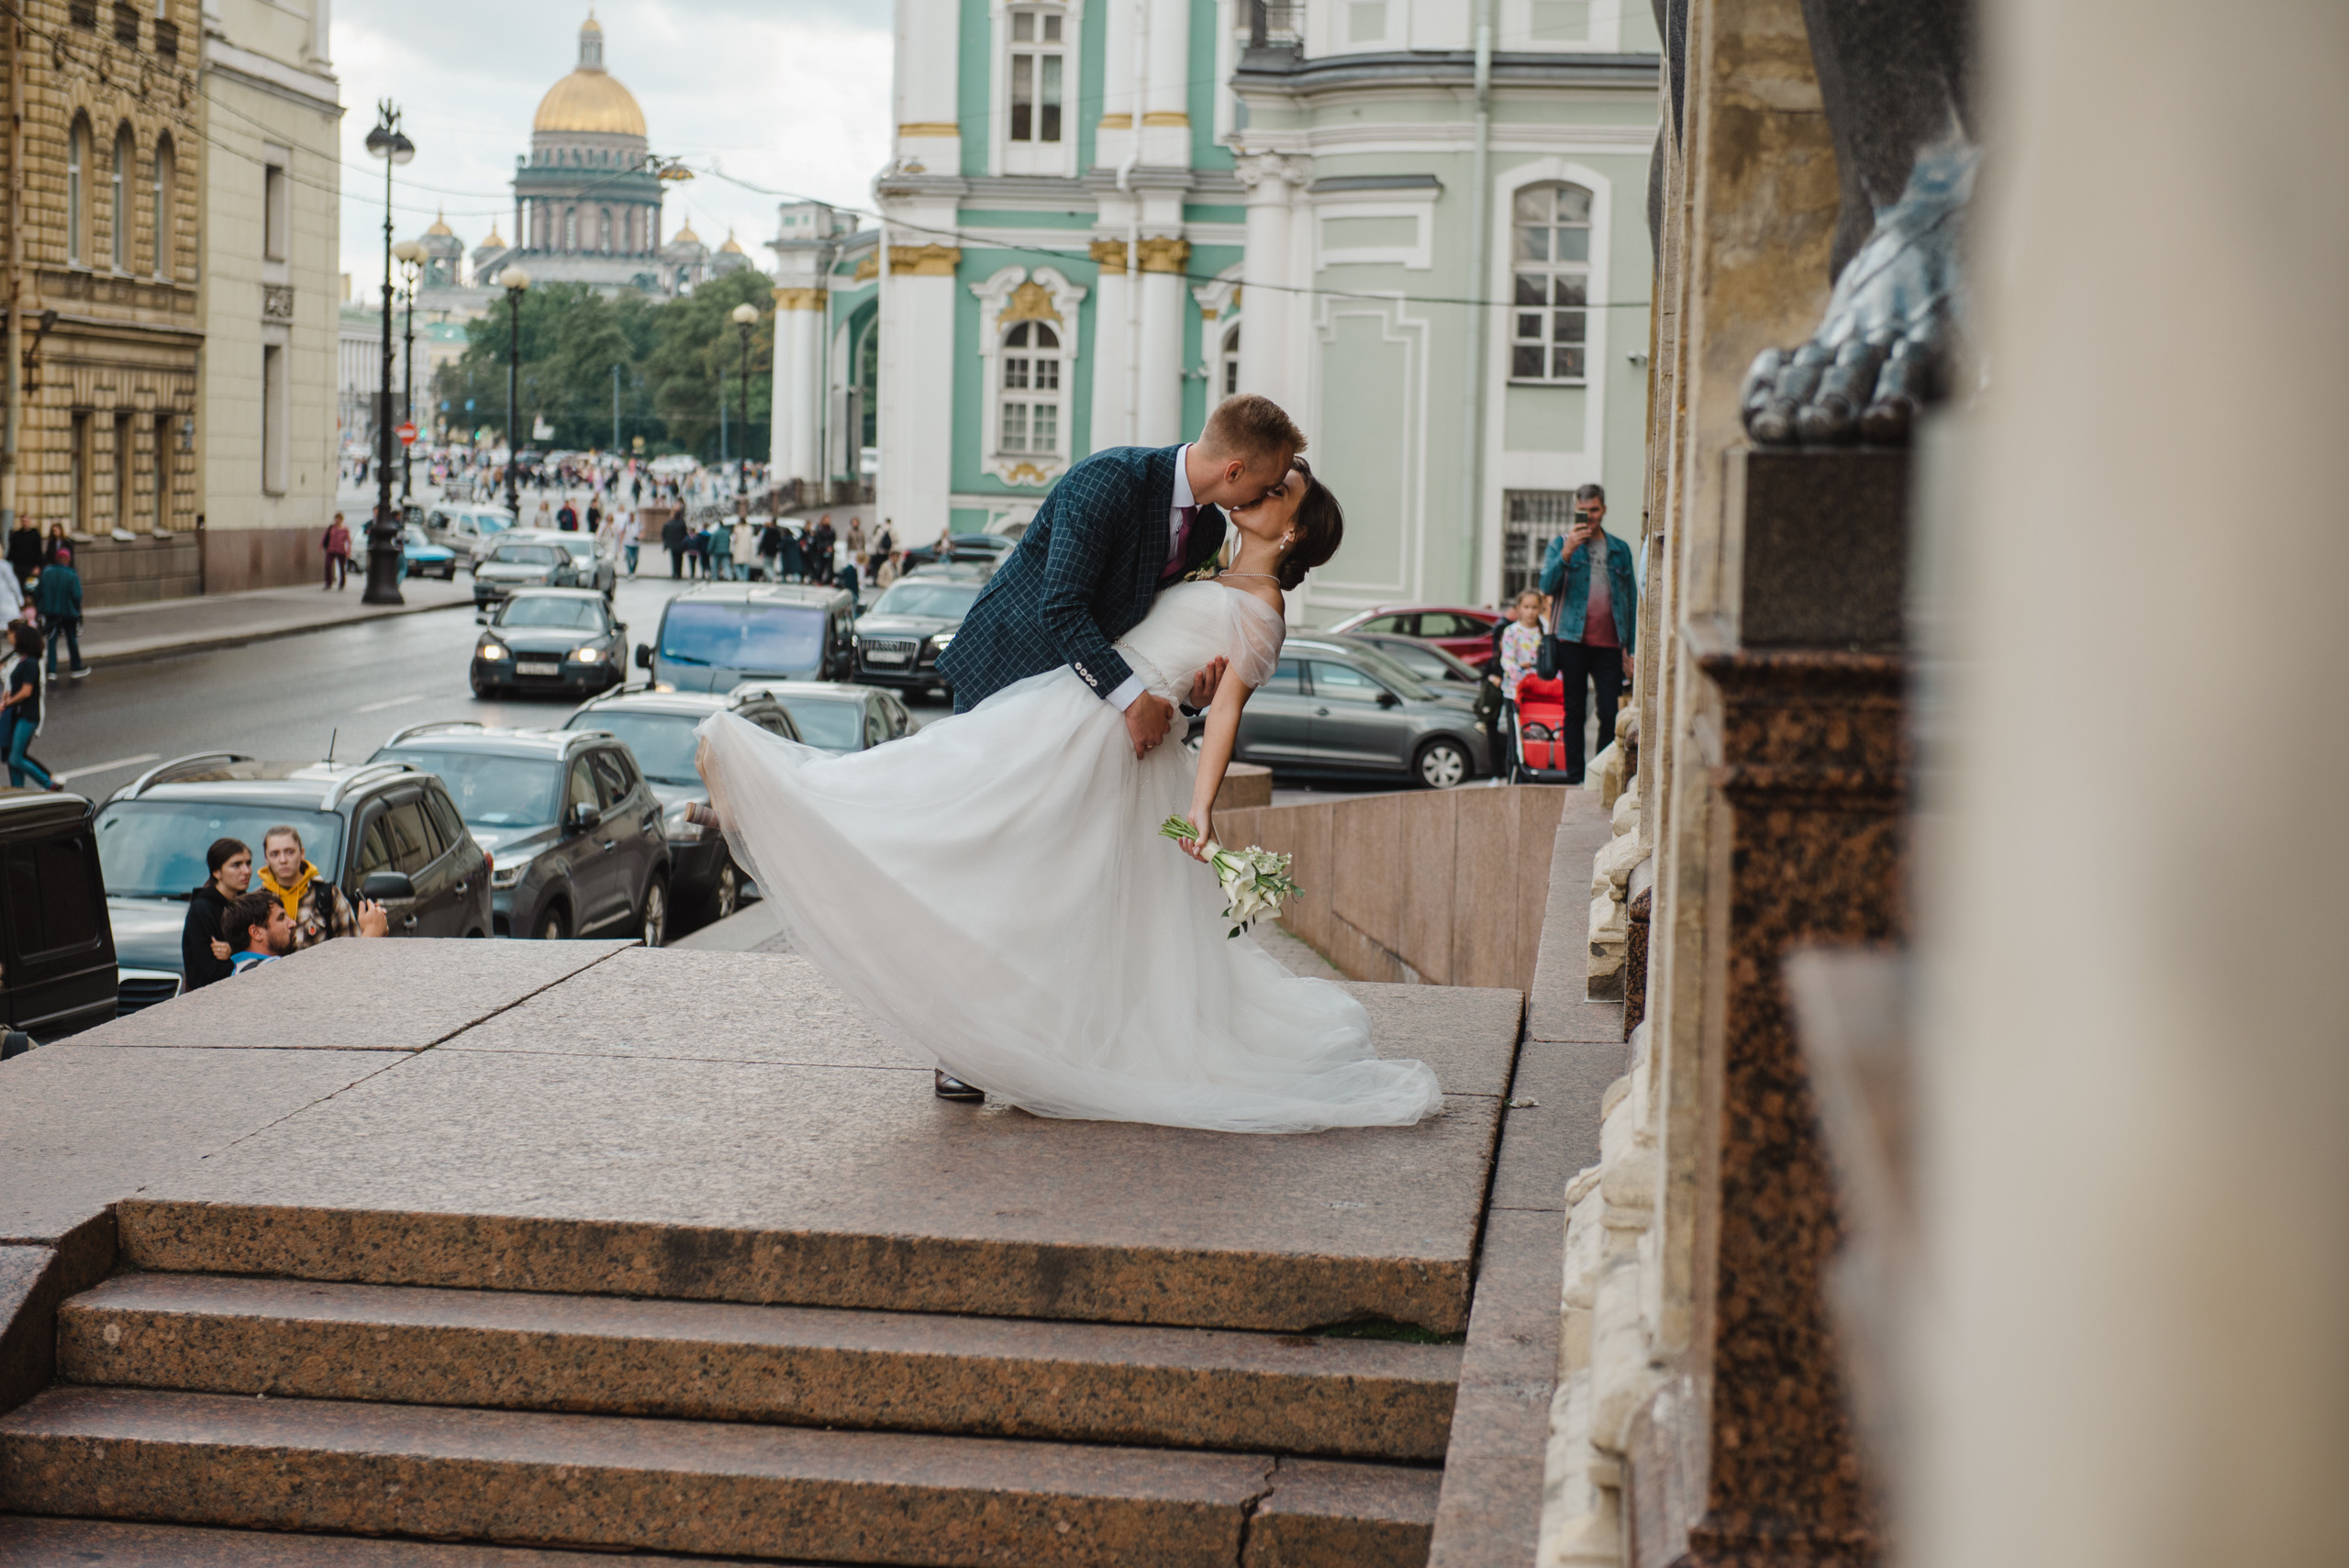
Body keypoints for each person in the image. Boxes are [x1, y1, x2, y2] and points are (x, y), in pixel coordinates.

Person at [696, 436, 1441, 1133]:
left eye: (1285, 490)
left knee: (1034, 877)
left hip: (1115, 746)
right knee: (952, 800)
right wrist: (1173, 696)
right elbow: (1127, 630)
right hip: (1069, 700)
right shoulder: (1206, 549)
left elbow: (1222, 717)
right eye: (1273, 477)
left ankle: (984, 1035)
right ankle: (780, 797)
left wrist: (1201, 805)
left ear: (1295, 532)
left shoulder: (1264, 608)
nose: (1269, 488)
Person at [1536, 484, 1639, 785]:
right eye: (1583, 511)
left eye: (1594, 510)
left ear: (1604, 509)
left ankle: (1599, 773)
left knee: (1609, 712)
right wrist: (1566, 553)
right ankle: (1575, 778)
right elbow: (1545, 586)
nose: (1589, 517)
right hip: (1572, 641)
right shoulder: (1560, 545)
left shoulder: (1620, 549)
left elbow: (1632, 601)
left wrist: (1630, 648)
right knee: (1574, 711)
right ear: (1575, 510)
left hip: (1609, 645)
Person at [256, 824, 390, 950]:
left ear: (302, 853)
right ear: (266, 858)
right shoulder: (259, 900)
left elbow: (352, 947)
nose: (283, 860)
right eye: (275, 854)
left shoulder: (326, 894)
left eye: (290, 852)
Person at [183, 838, 252, 992]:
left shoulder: (248, 905)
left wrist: (233, 951)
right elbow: (210, 972)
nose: (246, 871)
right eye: (236, 865)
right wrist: (242, 954)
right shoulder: (201, 910)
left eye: (248, 863)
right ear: (216, 872)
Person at [0, 625, 57, 790]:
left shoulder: (31, 663)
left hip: (28, 716)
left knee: (16, 758)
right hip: (19, 715)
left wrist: (6, 703)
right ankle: (18, 790)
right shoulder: (21, 660)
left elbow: (26, 691)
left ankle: (48, 783)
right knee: (12, 757)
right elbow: (15, 686)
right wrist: (7, 696)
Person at [35, 545, 84, 678]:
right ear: (68, 560)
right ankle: (76, 667)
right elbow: (77, 595)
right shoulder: (71, 575)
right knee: (71, 640)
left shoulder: (46, 572)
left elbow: (37, 593)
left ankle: (52, 670)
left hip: (50, 613)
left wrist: (40, 608)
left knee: (51, 641)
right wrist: (77, 609)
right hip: (68, 613)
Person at [223, 890, 294, 975]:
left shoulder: (238, 973)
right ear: (256, 932)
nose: (293, 923)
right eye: (281, 918)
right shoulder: (274, 971)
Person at [323, 514, 352, 591]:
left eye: (338, 519)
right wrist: (321, 545)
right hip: (331, 549)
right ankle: (328, 583)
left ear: (341, 519)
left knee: (342, 567)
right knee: (328, 564)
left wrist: (348, 552)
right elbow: (325, 536)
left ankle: (342, 583)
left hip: (341, 550)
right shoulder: (331, 527)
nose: (337, 520)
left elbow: (348, 541)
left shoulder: (345, 529)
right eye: (336, 519)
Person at [6, 518, 39, 585]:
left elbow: (38, 551)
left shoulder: (35, 535)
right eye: (23, 521)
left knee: (30, 588)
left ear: (29, 522)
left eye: (26, 521)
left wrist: (37, 566)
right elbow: (12, 550)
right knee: (18, 586)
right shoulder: (17, 535)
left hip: (30, 567)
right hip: (18, 567)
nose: (24, 523)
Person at [707, 516, 734, 582]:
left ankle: (714, 577)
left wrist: (709, 550)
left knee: (714, 565)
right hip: (725, 551)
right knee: (726, 565)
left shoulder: (716, 533)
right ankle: (729, 576)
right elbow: (729, 542)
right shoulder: (727, 533)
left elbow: (712, 543)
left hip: (716, 552)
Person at [810, 516, 836, 584]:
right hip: (822, 550)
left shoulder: (831, 529)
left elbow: (833, 538)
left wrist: (830, 546)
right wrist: (825, 547)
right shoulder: (820, 529)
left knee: (830, 566)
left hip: (830, 550)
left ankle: (829, 580)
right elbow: (818, 540)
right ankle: (818, 580)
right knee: (821, 566)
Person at [662, 511, 688, 579]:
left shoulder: (669, 523)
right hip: (680, 544)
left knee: (674, 559)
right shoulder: (682, 524)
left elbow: (664, 534)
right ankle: (679, 573)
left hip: (672, 544)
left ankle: (674, 573)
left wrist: (666, 543)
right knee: (680, 559)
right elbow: (685, 534)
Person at [620, 509, 641, 576]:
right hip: (628, 543)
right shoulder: (626, 524)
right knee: (628, 558)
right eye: (630, 517)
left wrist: (639, 537)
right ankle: (630, 572)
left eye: (632, 517)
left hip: (636, 544)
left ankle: (633, 570)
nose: (631, 518)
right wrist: (620, 543)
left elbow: (642, 532)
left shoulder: (637, 523)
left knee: (635, 559)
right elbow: (622, 533)